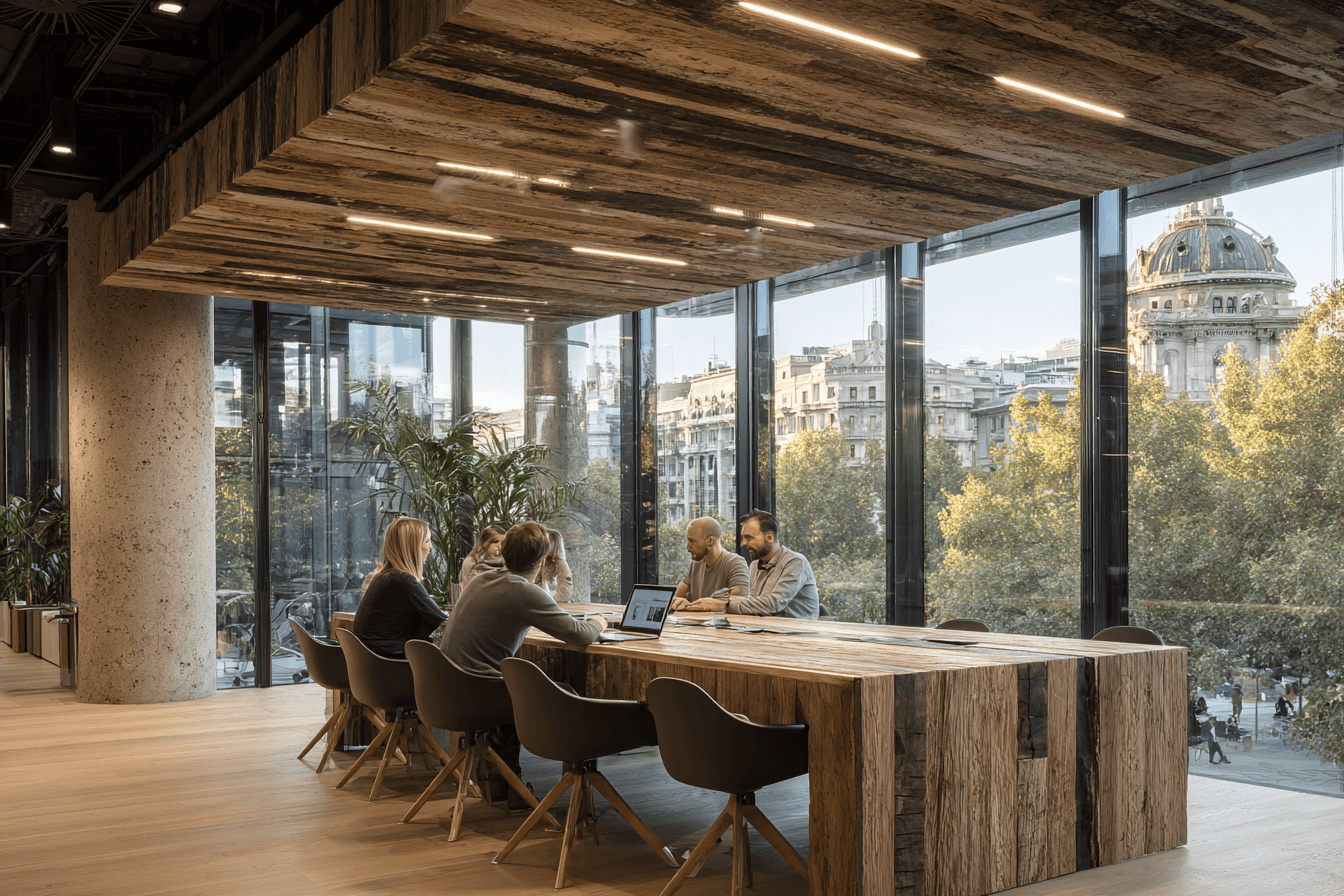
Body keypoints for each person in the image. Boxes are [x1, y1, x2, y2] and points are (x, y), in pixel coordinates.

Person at [442, 521, 607, 808]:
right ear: (542, 561)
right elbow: (580, 635)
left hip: (446, 691)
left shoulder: (481, 580)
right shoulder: (523, 592)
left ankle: (505, 784)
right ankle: (561, 795)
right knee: (561, 692)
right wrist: (600, 621)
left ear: (504, 554)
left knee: (513, 687)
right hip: (477, 695)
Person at [678, 510, 818, 618]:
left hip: (798, 634)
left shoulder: (795, 562)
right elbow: (750, 602)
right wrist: (709, 601)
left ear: (769, 537)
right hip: (769, 632)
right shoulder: (755, 564)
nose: (743, 543)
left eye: (748, 538)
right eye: (743, 538)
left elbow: (774, 604)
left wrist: (724, 604)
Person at [352, 517, 448, 658]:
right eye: (427, 541)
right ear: (413, 547)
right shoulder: (404, 581)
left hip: (369, 662)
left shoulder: (383, 577)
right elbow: (443, 621)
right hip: (389, 664)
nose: (430, 547)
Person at [669, 517, 749, 611]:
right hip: (698, 624)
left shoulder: (736, 564)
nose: (687, 547)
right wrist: (678, 601)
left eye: (692, 541)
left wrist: (709, 604)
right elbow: (674, 596)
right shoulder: (696, 563)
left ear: (710, 541)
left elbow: (739, 604)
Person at [533, 528, 573, 604]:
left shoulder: (549, 568)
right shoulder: (533, 570)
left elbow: (563, 596)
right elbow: (563, 596)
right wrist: (561, 559)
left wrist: (560, 559)